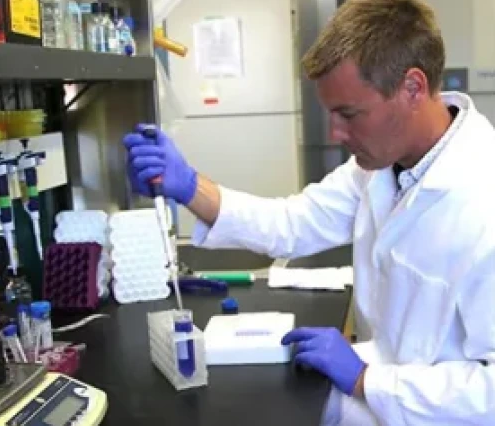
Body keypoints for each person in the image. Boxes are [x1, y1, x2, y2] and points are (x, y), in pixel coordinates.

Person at [122, 0, 495, 424]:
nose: (336, 134)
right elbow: (292, 224)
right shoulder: (379, 169)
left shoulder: (484, 200)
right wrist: (190, 186)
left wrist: (366, 380)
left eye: (349, 114)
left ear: (412, 88)